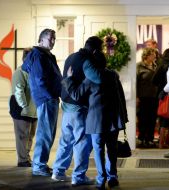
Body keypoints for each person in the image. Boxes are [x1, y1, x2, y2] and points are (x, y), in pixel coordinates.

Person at [62, 56, 128, 190]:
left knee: (98, 150)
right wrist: (123, 116)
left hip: (97, 120)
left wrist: (69, 79)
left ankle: (101, 179)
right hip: (113, 119)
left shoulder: (90, 79)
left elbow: (76, 95)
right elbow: (121, 96)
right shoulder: (113, 76)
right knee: (112, 149)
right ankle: (112, 177)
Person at [51, 36, 108, 186]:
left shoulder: (71, 56)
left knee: (66, 140)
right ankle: (78, 176)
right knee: (82, 141)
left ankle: (58, 171)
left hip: (66, 105)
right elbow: (98, 78)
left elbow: (68, 78)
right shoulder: (87, 61)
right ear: (96, 50)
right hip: (78, 107)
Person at [22, 28, 62, 176]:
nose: (53, 41)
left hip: (49, 98)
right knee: (45, 134)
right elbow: (39, 80)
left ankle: (41, 164)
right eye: (50, 38)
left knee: (48, 134)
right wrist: (51, 95)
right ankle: (39, 166)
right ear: (42, 39)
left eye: (54, 38)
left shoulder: (46, 55)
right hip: (46, 99)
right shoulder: (39, 56)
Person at [9, 48, 37, 167]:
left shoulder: (33, 72)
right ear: (26, 58)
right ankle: (22, 160)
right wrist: (24, 107)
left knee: (30, 136)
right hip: (21, 109)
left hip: (32, 109)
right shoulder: (19, 72)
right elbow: (18, 91)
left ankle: (26, 157)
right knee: (22, 135)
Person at [136, 47, 158, 148]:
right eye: (152, 54)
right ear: (147, 55)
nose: (154, 56)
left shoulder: (155, 66)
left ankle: (150, 139)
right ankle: (141, 138)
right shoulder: (139, 66)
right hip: (143, 97)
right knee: (142, 118)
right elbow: (136, 82)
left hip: (154, 97)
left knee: (152, 118)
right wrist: (136, 96)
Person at [152, 48, 169, 128]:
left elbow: (154, 80)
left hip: (161, 93)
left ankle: (162, 139)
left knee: (162, 116)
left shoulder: (161, 65)